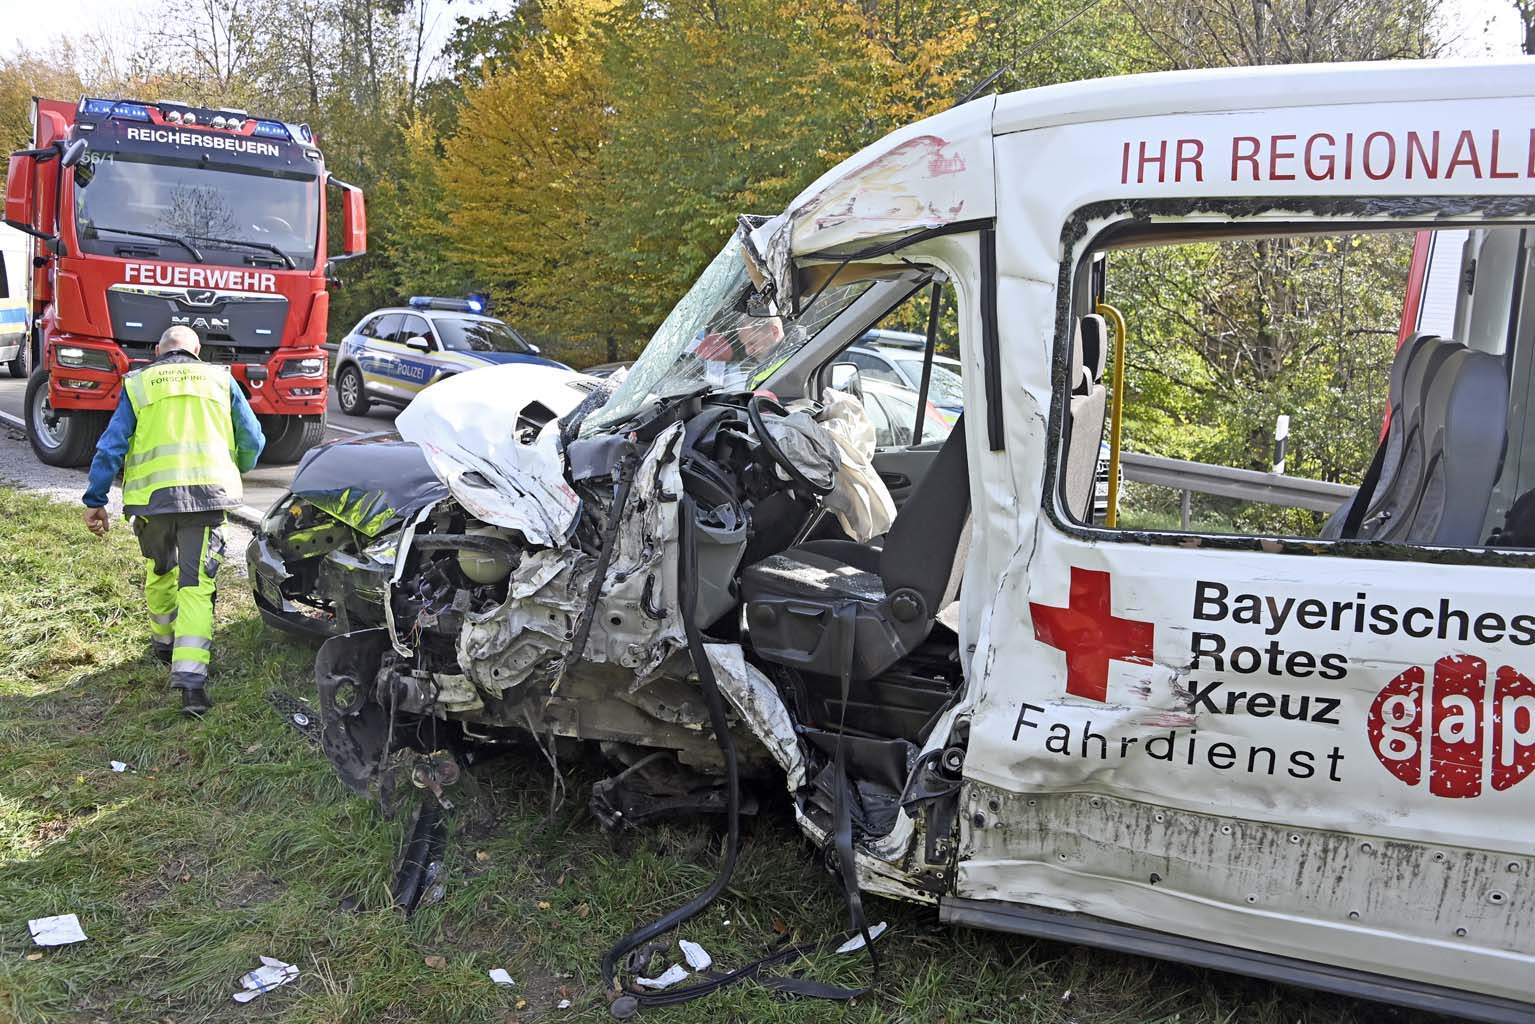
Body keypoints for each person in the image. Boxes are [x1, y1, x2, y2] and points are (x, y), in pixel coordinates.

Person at [82, 326, 265, 716]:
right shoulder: (220, 379)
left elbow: (110, 446)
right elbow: (253, 439)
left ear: (157, 350)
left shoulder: (140, 384)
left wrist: (96, 500)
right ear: (197, 351)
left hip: (152, 502)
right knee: (196, 586)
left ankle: (164, 645)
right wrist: (239, 466)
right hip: (206, 499)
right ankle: (192, 686)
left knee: (160, 570)